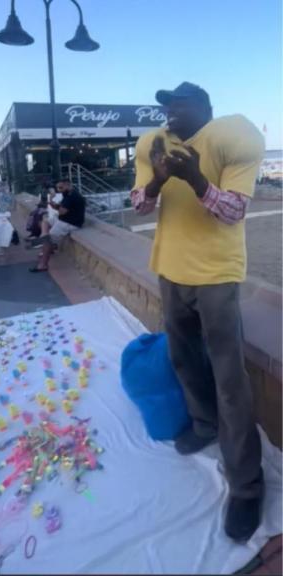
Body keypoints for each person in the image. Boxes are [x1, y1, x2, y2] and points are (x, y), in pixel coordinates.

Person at [131, 82, 265, 541]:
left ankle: (247, 485)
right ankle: (204, 424)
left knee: (230, 378)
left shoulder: (234, 136)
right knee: (184, 358)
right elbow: (138, 206)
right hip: (170, 269)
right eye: (165, 104)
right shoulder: (153, 145)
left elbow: (234, 212)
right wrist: (158, 179)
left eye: (179, 103)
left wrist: (197, 180)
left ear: (206, 107)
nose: (169, 110)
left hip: (217, 276)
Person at [28, 178, 84, 273]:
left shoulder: (72, 196)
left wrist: (56, 206)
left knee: (47, 240)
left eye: (61, 187)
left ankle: (43, 264)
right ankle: (48, 241)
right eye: (57, 187)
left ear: (68, 185)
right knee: (44, 221)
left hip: (69, 223)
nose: (59, 190)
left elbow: (62, 211)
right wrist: (53, 203)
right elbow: (62, 209)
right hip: (63, 219)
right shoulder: (67, 193)